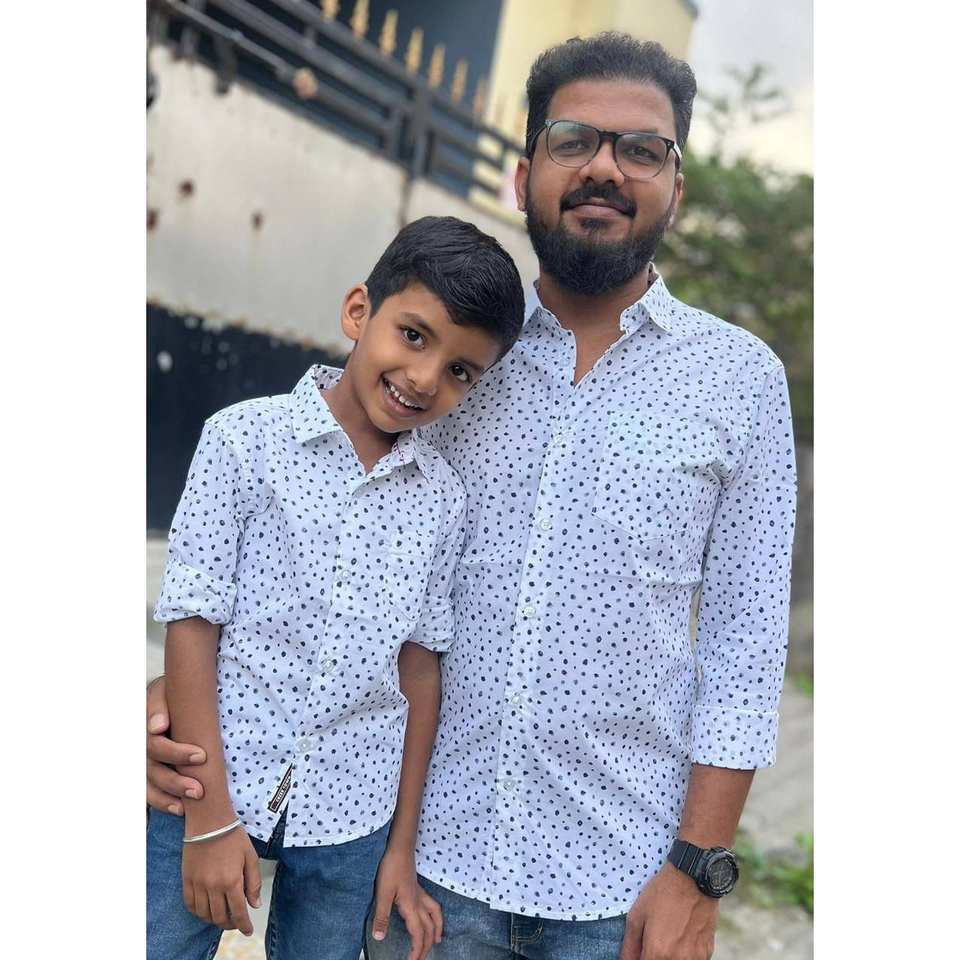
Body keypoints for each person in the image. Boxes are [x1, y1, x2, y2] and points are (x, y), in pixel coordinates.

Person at [148, 33, 798, 960]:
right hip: (424, 874)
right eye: (574, 141)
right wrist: (174, 705)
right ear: (524, 176)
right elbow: (308, 537)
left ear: (676, 187)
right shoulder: (461, 346)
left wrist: (698, 871)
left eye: (641, 149)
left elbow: (746, 647)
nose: (605, 168)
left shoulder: (741, 381)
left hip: (618, 880)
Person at [146, 215, 525, 960]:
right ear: (359, 312)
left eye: (461, 371)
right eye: (413, 336)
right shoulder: (242, 441)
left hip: (353, 814)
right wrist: (210, 819)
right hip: (210, 784)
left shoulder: (443, 501)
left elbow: (419, 669)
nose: (425, 378)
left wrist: (400, 848)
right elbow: (192, 622)